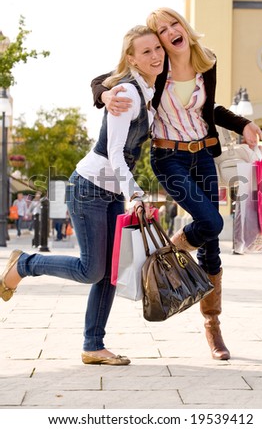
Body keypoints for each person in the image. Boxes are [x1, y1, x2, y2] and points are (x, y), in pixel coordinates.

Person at [90, 7, 262, 361]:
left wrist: (242, 124)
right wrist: (104, 96)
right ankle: (172, 247)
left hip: (203, 156)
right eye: (162, 31)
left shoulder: (207, 62)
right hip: (169, 159)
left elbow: (208, 109)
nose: (170, 32)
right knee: (212, 223)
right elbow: (102, 81)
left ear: (184, 28)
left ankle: (212, 325)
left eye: (174, 24)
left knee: (211, 244)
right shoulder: (158, 67)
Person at [0, 25, 165, 366]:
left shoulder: (147, 91)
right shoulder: (128, 93)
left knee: (108, 272)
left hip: (108, 192)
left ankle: (94, 345)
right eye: (146, 51)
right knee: (92, 270)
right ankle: (25, 263)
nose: (156, 55)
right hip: (89, 187)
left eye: (157, 49)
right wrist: (134, 193)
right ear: (131, 58)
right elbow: (115, 152)